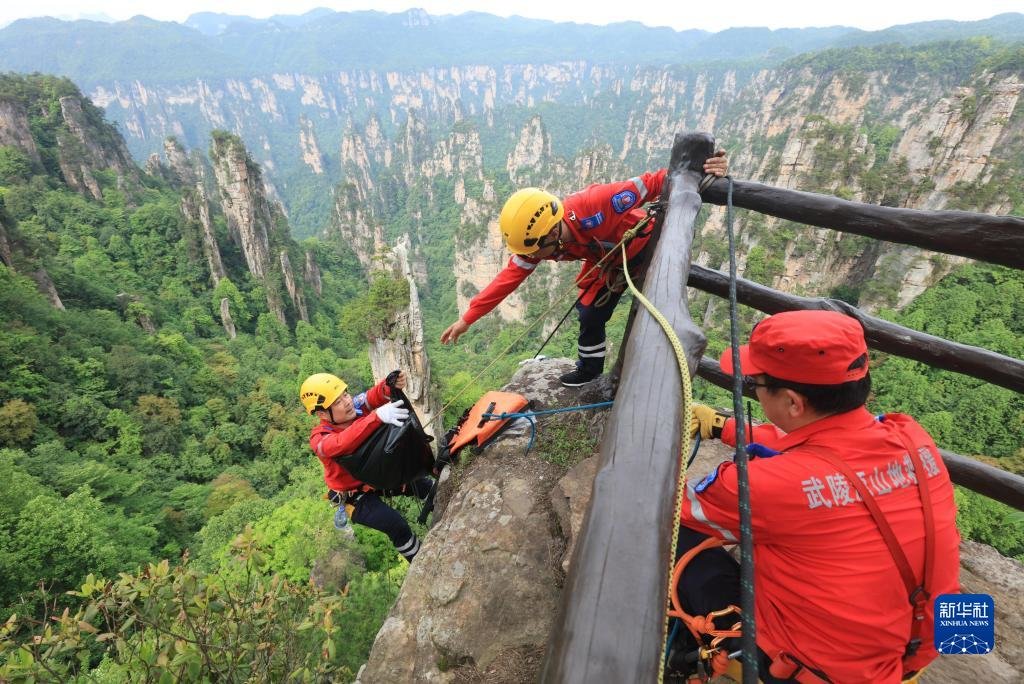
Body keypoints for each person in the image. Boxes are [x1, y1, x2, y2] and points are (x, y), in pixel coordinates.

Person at [678, 310, 960, 683]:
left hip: (810, 671)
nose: (753, 388)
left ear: (793, 403)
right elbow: (835, 447)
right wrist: (726, 427)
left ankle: (695, 653)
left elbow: (669, 508)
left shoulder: (761, 486)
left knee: (677, 539)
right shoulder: (911, 436)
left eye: (756, 383)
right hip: (920, 649)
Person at [440, 152, 729, 387]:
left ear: (551, 234)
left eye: (533, 252)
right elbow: (508, 279)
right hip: (607, 262)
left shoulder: (598, 203)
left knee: (655, 318)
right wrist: (468, 318)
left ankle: (654, 382)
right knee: (590, 312)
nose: (530, 259)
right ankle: (590, 370)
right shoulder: (542, 242)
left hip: (646, 249)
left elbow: (655, 181)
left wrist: (702, 169)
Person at [300, 371, 432, 563]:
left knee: (424, 485)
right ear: (321, 414)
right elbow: (340, 443)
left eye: (345, 394)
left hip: (376, 476)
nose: (346, 402)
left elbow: (373, 396)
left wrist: (390, 385)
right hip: (355, 496)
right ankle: (422, 562)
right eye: (337, 402)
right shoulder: (320, 438)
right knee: (395, 525)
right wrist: (376, 417)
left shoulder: (355, 406)